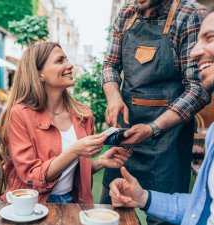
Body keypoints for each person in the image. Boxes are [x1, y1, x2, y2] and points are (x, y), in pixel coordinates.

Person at [100, 0, 211, 223]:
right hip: (126, 134)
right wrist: (113, 97)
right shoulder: (126, 13)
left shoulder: (188, 15)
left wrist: (152, 128)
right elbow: (110, 65)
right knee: (109, 210)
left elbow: (197, 88)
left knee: (163, 215)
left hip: (168, 142)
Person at [0, 42, 132, 204]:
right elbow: (31, 176)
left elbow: (70, 173)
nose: (70, 65)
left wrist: (99, 162)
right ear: (39, 74)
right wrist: (75, 151)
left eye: (67, 60)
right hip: (28, 204)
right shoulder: (20, 114)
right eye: (60, 61)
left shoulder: (83, 115)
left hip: (70, 202)